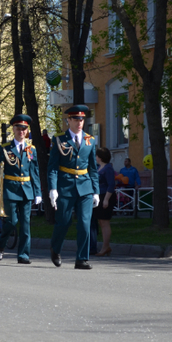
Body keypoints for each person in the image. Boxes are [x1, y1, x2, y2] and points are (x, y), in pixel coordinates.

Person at [48, 105, 100, 270]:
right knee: (63, 221)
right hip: (65, 185)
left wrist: (96, 191)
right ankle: (55, 249)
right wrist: (53, 188)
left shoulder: (89, 140)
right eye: (76, 119)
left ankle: (82, 259)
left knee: (85, 223)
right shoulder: (59, 139)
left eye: (82, 119)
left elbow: (93, 168)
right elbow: (52, 167)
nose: (79, 122)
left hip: (85, 187)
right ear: (68, 120)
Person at [0, 114, 41, 264]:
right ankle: (1, 246)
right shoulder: (6, 148)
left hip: (26, 190)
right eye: (18, 128)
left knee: (25, 224)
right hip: (10, 190)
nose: (21, 131)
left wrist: (38, 192)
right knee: (11, 221)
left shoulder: (31, 149)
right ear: (13, 129)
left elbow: (35, 172)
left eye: (24, 129)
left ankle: (23, 255)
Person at [94, 148, 117, 257]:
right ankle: (105, 246)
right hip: (99, 196)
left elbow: (111, 185)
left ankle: (105, 246)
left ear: (101, 157)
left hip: (106, 196)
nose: (95, 157)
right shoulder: (99, 168)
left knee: (105, 222)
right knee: (101, 222)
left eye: (97, 155)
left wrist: (106, 199)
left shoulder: (108, 168)